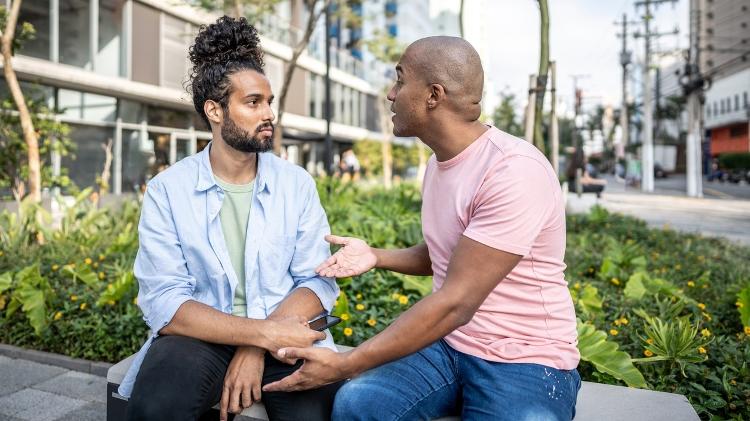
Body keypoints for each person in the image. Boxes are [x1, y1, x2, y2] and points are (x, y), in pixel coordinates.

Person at [262, 36, 581, 421]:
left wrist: (346, 364)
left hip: (526, 359)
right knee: (357, 405)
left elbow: (456, 302)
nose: (391, 94)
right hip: (450, 347)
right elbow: (448, 254)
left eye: (399, 80)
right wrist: (376, 256)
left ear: (433, 95)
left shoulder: (513, 171)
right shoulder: (439, 164)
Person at [121, 17, 342, 421]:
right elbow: (166, 301)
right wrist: (260, 335)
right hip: (201, 336)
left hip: (287, 335)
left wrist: (258, 345)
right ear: (215, 110)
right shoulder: (168, 190)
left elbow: (317, 279)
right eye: (253, 102)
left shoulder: (296, 184)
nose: (269, 114)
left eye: (269, 101)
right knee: (154, 410)